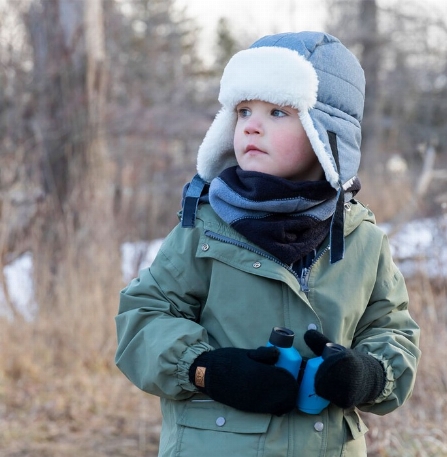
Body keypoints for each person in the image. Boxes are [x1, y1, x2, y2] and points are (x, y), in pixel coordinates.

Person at [115, 31, 421, 457]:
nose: (252, 125)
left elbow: (392, 332)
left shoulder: (361, 240)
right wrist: (207, 369)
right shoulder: (204, 227)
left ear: (326, 133)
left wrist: (367, 375)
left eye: (277, 111)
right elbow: (143, 317)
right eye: (243, 110)